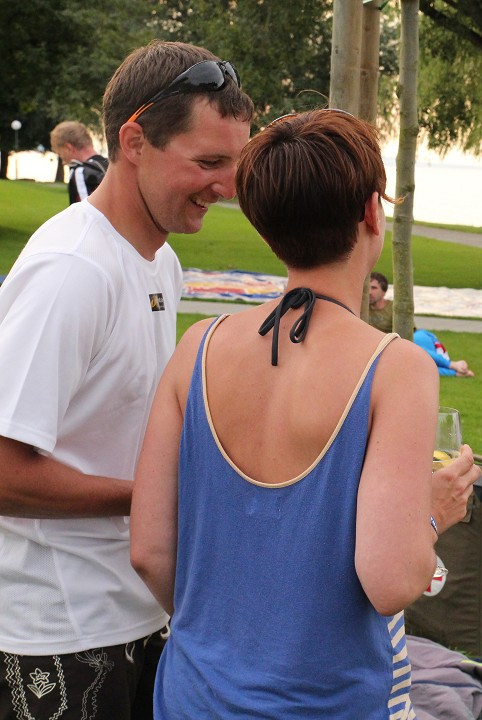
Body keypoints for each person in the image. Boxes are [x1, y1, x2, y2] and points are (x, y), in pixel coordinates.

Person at [129, 109, 478, 718]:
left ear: (270, 228)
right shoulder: (395, 367)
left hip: (193, 695)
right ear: (373, 212)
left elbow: (150, 552)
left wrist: (222, 638)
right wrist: (431, 514)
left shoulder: (197, 349)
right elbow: (392, 579)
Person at [0, 41, 253, 720]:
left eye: (235, 162)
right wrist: (160, 496)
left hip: (138, 612)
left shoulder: (158, 261)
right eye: (207, 162)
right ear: (134, 140)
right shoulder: (73, 271)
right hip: (57, 635)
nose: (227, 187)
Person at [50, 120, 109, 203]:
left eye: (60, 154)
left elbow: (85, 212)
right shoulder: (109, 164)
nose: (63, 162)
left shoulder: (80, 172)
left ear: (68, 148)